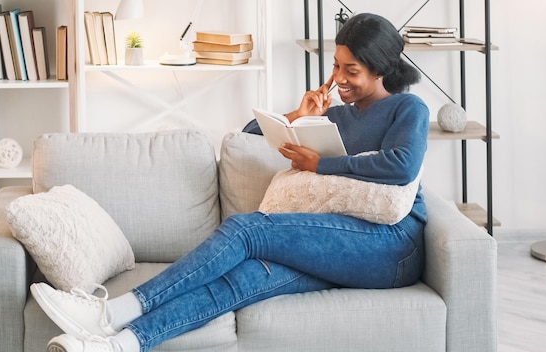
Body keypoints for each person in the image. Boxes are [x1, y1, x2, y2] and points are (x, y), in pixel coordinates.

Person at [32, 13, 429, 352]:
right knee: (243, 279)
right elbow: (250, 133)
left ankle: (114, 311)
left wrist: (320, 164)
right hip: (336, 242)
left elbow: (402, 166)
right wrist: (297, 114)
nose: (338, 78)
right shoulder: (338, 116)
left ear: (380, 69)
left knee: (246, 230)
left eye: (351, 70)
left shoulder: (408, 108)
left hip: (390, 247)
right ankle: (119, 343)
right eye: (336, 66)